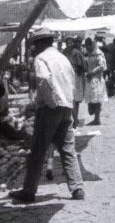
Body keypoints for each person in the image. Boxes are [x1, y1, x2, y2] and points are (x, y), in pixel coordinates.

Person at [10, 28, 85, 203]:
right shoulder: (62, 58)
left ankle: (29, 191)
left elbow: (43, 81)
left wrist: (49, 103)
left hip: (51, 108)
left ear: (41, 43)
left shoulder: (41, 59)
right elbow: (71, 82)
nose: (33, 49)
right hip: (66, 107)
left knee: (37, 151)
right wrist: (68, 104)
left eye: (35, 45)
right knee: (68, 150)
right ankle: (77, 188)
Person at [84, 35, 107, 125]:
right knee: (92, 100)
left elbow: (102, 66)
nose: (87, 47)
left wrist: (92, 72)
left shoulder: (98, 54)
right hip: (90, 79)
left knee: (97, 100)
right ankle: (95, 116)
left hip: (97, 79)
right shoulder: (89, 54)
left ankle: (97, 119)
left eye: (88, 45)